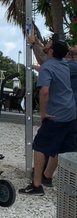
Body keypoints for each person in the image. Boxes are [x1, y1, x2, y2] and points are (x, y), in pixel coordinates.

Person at [19, 36, 77, 196]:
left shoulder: (49, 67)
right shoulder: (66, 64)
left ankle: (37, 185)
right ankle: (69, 188)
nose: (47, 43)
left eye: (49, 43)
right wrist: (34, 43)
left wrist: (43, 113)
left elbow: (44, 91)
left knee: (39, 146)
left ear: (51, 50)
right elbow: (45, 61)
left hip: (56, 115)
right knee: (67, 150)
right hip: (71, 114)